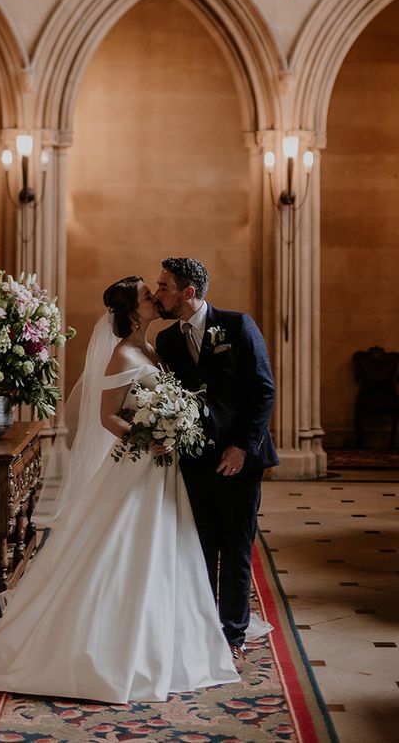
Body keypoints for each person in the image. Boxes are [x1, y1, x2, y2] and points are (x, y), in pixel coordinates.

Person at [0, 276, 239, 703]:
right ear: (131, 310)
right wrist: (147, 439)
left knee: (167, 547)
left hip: (162, 467)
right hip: (139, 463)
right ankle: (105, 646)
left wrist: (172, 427)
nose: (153, 298)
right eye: (147, 295)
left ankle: (167, 638)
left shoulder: (151, 347)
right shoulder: (122, 354)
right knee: (125, 546)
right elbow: (108, 416)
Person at [154, 257, 277, 661]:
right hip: (193, 461)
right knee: (199, 547)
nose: (159, 294)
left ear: (188, 292)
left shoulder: (239, 325)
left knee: (236, 547)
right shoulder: (169, 340)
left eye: (165, 286)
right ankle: (203, 626)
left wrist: (241, 445)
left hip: (242, 459)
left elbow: (263, 389)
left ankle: (234, 634)